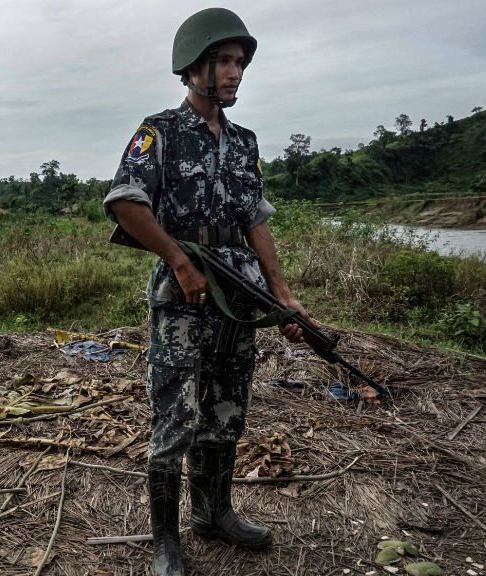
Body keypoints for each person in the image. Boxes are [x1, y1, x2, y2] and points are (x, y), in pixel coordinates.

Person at [104, 8, 376, 575]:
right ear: (192, 68)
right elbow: (127, 202)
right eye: (224, 61)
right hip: (185, 294)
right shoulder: (159, 132)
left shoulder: (244, 142)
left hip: (240, 292)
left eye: (240, 63)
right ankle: (166, 541)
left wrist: (282, 294)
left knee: (226, 408)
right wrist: (179, 261)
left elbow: (255, 220)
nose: (235, 72)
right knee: (175, 411)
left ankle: (214, 513)